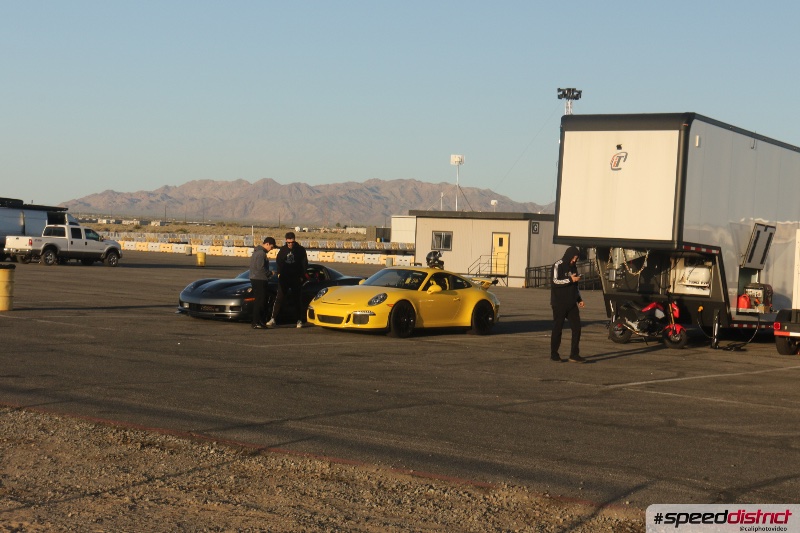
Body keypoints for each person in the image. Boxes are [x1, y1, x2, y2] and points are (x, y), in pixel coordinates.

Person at [550, 246, 586, 363]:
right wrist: (570, 279)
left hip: (571, 304)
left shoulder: (574, 267)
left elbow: (575, 286)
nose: (574, 260)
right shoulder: (558, 265)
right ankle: (554, 354)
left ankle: (574, 354)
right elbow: (555, 281)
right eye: (574, 258)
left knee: (577, 328)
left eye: (576, 258)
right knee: (558, 328)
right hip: (559, 303)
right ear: (569, 255)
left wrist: (579, 299)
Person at [267, 231, 309, 328]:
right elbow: (279, 262)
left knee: (297, 299)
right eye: (288, 242)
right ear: (286, 241)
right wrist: (279, 273)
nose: (290, 244)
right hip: (284, 278)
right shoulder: (283, 250)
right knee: (279, 298)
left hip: (296, 278)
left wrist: (302, 276)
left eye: (292, 242)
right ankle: (273, 319)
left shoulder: (300, 250)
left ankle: (299, 320)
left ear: (294, 241)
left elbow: (304, 263)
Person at [249, 237, 276, 329]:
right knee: (260, 301)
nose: (271, 249)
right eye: (271, 247)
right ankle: (257, 322)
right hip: (260, 279)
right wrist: (270, 273)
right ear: (267, 244)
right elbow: (261, 268)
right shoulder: (261, 253)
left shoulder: (257, 252)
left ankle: (258, 321)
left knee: (259, 301)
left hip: (255, 278)